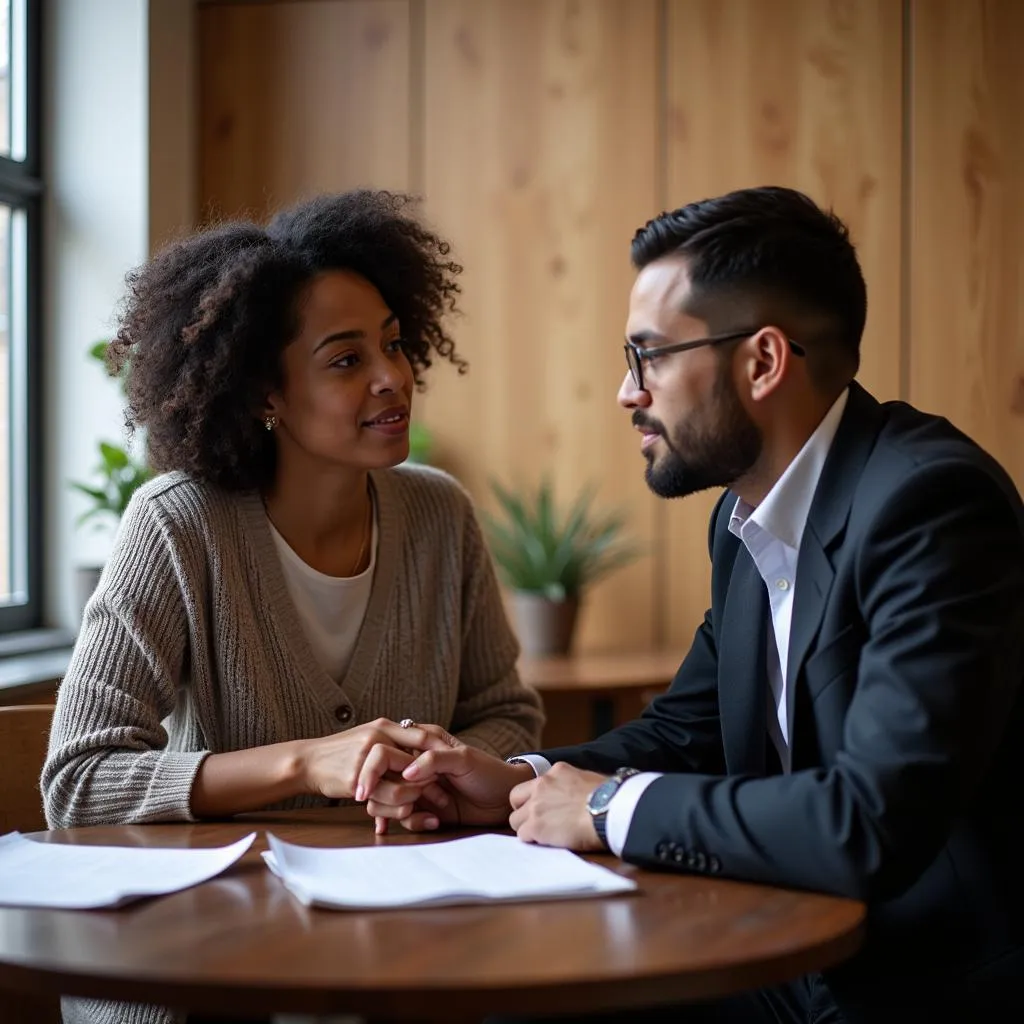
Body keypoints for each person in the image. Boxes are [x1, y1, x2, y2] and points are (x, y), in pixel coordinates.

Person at [372, 187, 1024, 1023]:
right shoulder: (746, 514)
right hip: (791, 941)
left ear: (762, 362)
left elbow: (870, 819)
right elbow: (691, 728)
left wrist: (604, 808)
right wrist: (512, 787)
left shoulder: (931, 504)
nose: (626, 391)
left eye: (650, 356)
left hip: (928, 976)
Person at [42, 189, 543, 1024]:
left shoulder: (441, 516)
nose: (393, 377)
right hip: (201, 970)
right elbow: (79, 781)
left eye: (392, 342)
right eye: (346, 360)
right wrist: (310, 764)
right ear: (264, 391)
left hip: (401, 952)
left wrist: (425, 774)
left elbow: (507, 718)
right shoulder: (178, 526)